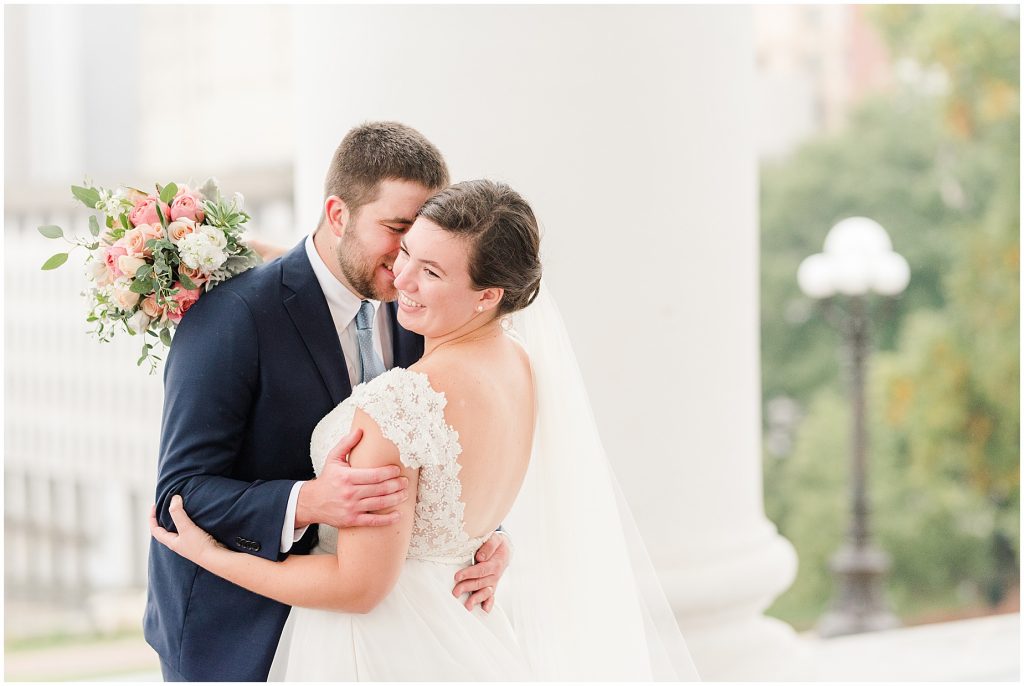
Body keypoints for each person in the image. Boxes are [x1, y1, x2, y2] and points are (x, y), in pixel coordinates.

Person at [152, 180, 703, 681]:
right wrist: (482, 536)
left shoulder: (401, 399)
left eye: (431, 271)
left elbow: (357, 588)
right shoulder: (521, 364)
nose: (402, 277)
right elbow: (458, 480)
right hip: (459, 628)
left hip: (373, 646)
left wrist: (212, 557)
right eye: (406, 247)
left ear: (489, 295)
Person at [144, 123, 514, 682]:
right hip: (238, 633)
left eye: (423, 237)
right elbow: (180, 492)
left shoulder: (420, 307)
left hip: (375, 635)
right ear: (338, 215)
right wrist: (308, 502)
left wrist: (484, 536)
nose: (409, 260)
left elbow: (441, 442)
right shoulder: (234, 318)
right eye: (396, 229)